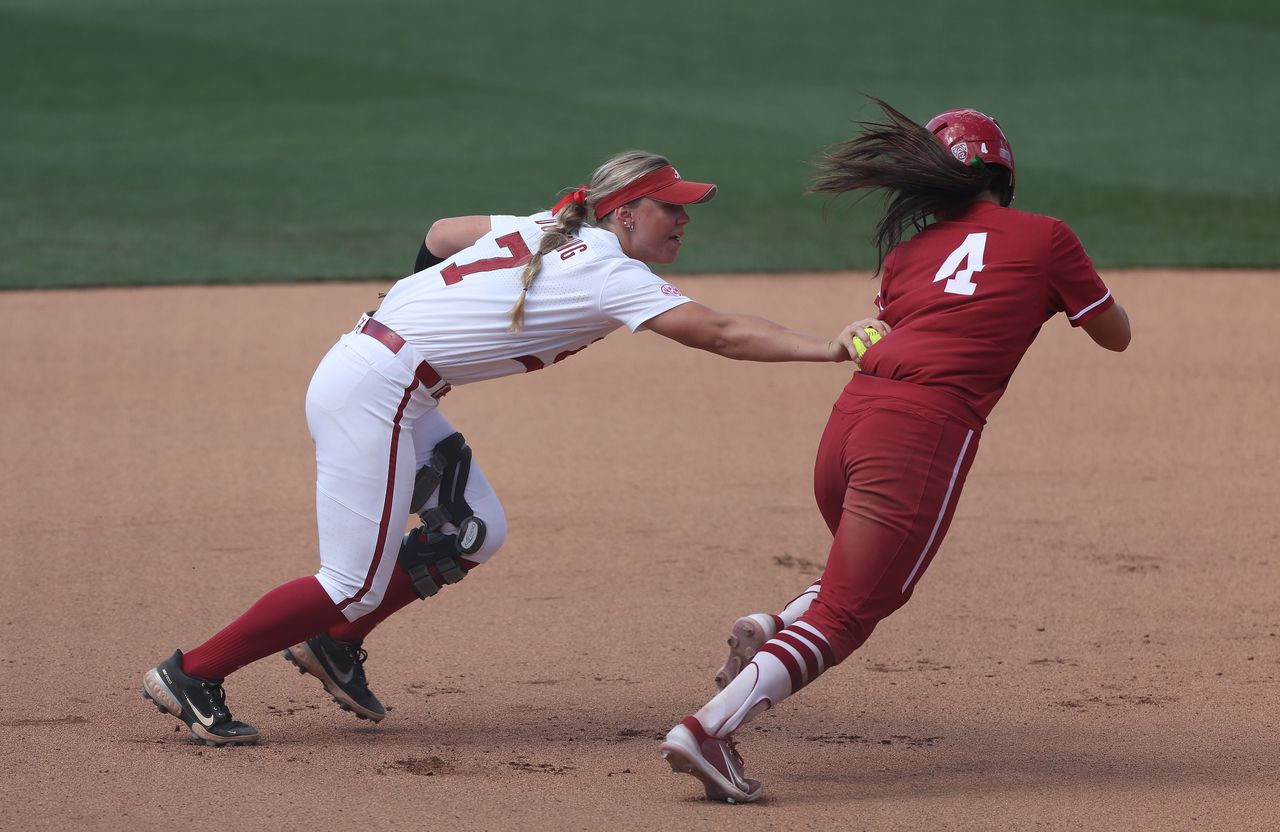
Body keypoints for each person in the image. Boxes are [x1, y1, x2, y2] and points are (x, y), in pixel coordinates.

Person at [141, 149, 877, 746]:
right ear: (625, 214)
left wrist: (419, 317)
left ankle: (335, 644)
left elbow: (439, 233)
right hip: (377, 390)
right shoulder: (609, 269)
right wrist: (825, 348)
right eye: (670, 207)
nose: (684, 220)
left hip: (390, 378)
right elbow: (719, 333)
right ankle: (193, 673)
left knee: (472, 530)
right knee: (350, 578)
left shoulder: (553, 228)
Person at [658, 100, 1132, 803]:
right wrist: (1064, 295)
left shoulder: (905, 257)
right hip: (919, 434)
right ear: (1003, 176)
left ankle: (776, 624)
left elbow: (887, 332)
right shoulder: (1046, 237)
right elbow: (1114, 333)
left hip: (849, 425)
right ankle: (707, 729)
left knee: (855, 578)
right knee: (854, 611)